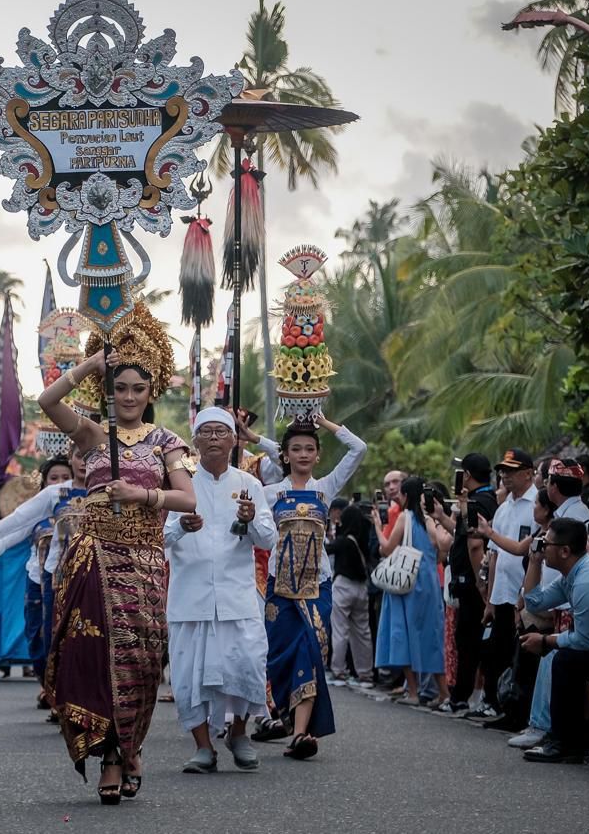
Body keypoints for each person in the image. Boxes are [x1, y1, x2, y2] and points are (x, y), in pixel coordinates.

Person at [37, 302, 196, 804]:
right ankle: (109, 757)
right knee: (94, 655)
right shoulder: (90, 433)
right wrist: (89, 367)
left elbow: (187, 499)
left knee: (142, 662)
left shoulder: (167, 441)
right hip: (96, 558)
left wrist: (144, 496)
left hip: (145, 563)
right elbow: (47, 399)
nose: (128, 397)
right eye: (120, 387)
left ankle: (132, 747)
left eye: (138, 388)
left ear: (153, 392)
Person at [163, 407, 276, 774]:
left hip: (236, 597)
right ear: (194, 440)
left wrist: (248, 520)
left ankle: (239, 733)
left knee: (246, 665)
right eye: (206, 432)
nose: (213, 438)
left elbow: (268, 537)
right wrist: (182, 526)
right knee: (189, 675)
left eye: (220, 432)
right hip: (191, 599)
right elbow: (158, 538)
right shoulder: (180, 486)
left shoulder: (250, 485)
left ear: (233, 439)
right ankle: (203, 747)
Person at [256, 415, 366, 759]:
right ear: (284, 455)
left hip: (317, 587)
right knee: (280, 655)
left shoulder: (325, 488)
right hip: (280, 588)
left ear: (318, 455)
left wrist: (324, 422)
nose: (303, 454)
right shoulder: (269, 493)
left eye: (309, 449)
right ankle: (289, 718)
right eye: (295, 449)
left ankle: (301, 732)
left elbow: (358, 448)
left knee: (310, 651)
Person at [0, 449, 88, 709]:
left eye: (63, 477)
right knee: (43, 640)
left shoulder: (104, 493)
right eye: (53, 478)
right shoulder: (49, 502)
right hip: (46, 581)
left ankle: (74, 701)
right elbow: (11, 528)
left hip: (89, 580)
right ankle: (51, 689)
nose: (59, 482)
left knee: (83, 641)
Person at [519, 517, 589, 763]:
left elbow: (584, 641)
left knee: (566, 660)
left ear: (565, 551)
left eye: (546, 543)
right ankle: (576, 737)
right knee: (568, 659)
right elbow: (534, 602)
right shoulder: (572, 574)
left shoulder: (587, 580)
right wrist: (534, 561)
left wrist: (545, 642)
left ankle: (564, 741)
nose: (542, 547)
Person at [374, 478, 449, 706]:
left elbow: (387, 549)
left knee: (403, 633)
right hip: (429, 581)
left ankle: (414, 692)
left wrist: (378, 527)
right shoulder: (428, 520)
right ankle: (444, 692)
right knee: (431, 635)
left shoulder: (405, 517)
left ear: (405, 495)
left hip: (405, 581)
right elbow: (442, 548)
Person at [479, 448, 539, 730]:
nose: (506, 476)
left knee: (523, 657)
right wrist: (490, 598)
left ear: (529, 472)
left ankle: (522, 714)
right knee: (500, 653)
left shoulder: (537, 506)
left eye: (512, 471)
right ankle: (506, 709)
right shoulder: (504, 508)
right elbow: (493, 555)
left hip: (524, 593)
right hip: (502, 591)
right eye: (503, 471)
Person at [440, 453, 500, 716]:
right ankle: (471, 697)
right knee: (475, 641)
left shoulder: (479, 502)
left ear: (467, 475)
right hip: (479, 582)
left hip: (474, 583)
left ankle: (462, 697)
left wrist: (479, 582)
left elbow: (475, 544)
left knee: (468, 642)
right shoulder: (487, 500)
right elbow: (461, 531)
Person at [328, 503, 375, 686]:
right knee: (363, 631)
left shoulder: (343, 541)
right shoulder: (364, 539)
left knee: (340, 630)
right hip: (361, 588)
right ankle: (365, 673)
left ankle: (338, 670)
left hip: (343, 587)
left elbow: (327, 549)